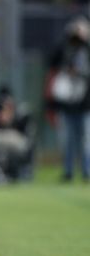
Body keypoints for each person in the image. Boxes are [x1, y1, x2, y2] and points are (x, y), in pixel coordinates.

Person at [47, 17, 90, 182]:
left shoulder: (86, 49)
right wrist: (69, 36)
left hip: (86, 104)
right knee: (68, 141)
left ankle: (87, 171)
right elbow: (52, 60)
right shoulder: (66, 48)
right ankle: (68, 171)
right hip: (67, 105)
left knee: (87, 140)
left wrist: (85, 38)